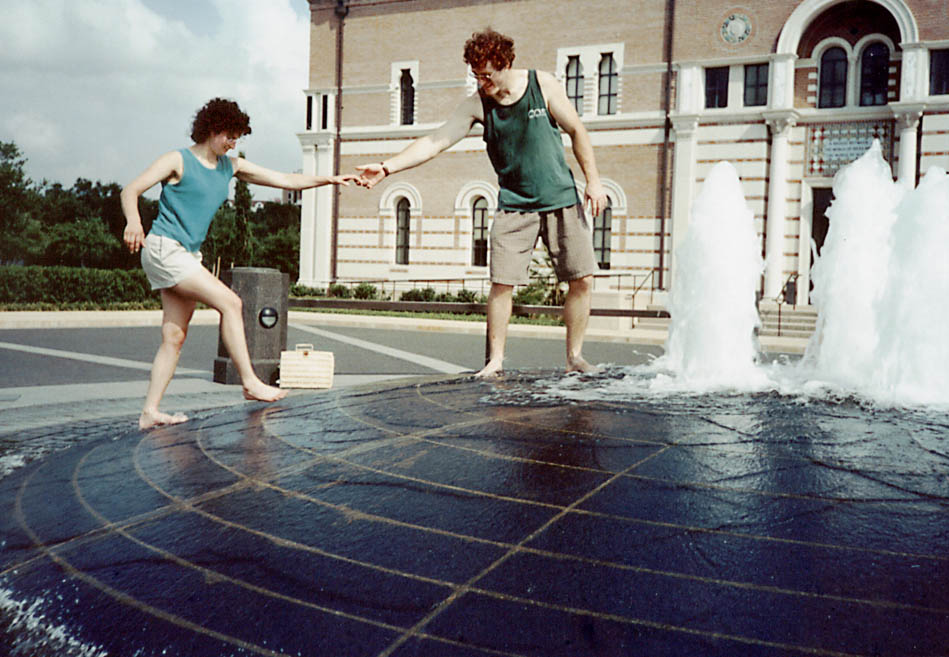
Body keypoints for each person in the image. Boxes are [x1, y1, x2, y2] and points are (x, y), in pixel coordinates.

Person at [356, 29, 608, 378]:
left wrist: (593, 181)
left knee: (582, 279)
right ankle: (496, 361)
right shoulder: (477, 104)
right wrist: (386, 167)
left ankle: (575, 357)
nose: (481, 81)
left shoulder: (543, 85)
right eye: (475, 75)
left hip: (561, 198)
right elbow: (435, 141)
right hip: (514, 205)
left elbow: (578, 131)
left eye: (487, 74)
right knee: (501, 283)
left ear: (505, 64)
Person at [122, 97, 361, 430]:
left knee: (174, 337)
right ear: (212, 129)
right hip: (165, 248)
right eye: (230, 136)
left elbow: (287, 181)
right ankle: (250, 382)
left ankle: (150, 412)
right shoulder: (177, 159)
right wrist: (134, 222)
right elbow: (130, 189)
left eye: (238, 138)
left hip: (186, 255)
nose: (234, 143)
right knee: (231, 303)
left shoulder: (230, 166)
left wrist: (332, 179)